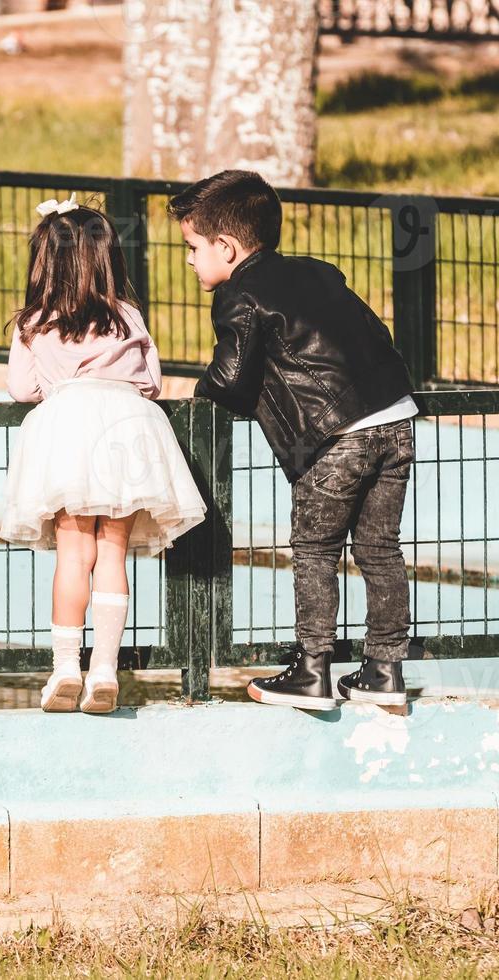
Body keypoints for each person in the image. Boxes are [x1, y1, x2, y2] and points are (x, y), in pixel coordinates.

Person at [172, 170, 418, 711]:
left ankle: (312, 671)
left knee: (314, 550)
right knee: (379, 547)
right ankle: (384, 670)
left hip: (337, 438)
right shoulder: (318, 273)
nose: (189, 260)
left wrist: (199, 388)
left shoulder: (239, 295)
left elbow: (232, 379)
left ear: (227, 247)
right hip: (397, 416)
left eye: (191, 247)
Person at [0, 194, 208, 715]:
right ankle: (105, 671)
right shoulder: (128, 317)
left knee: (75, 555)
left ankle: (65, 668)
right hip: (128, 431)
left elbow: (22, 390)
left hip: (68, 428)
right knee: (112, 554)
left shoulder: (35, 321)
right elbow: (152, 383)